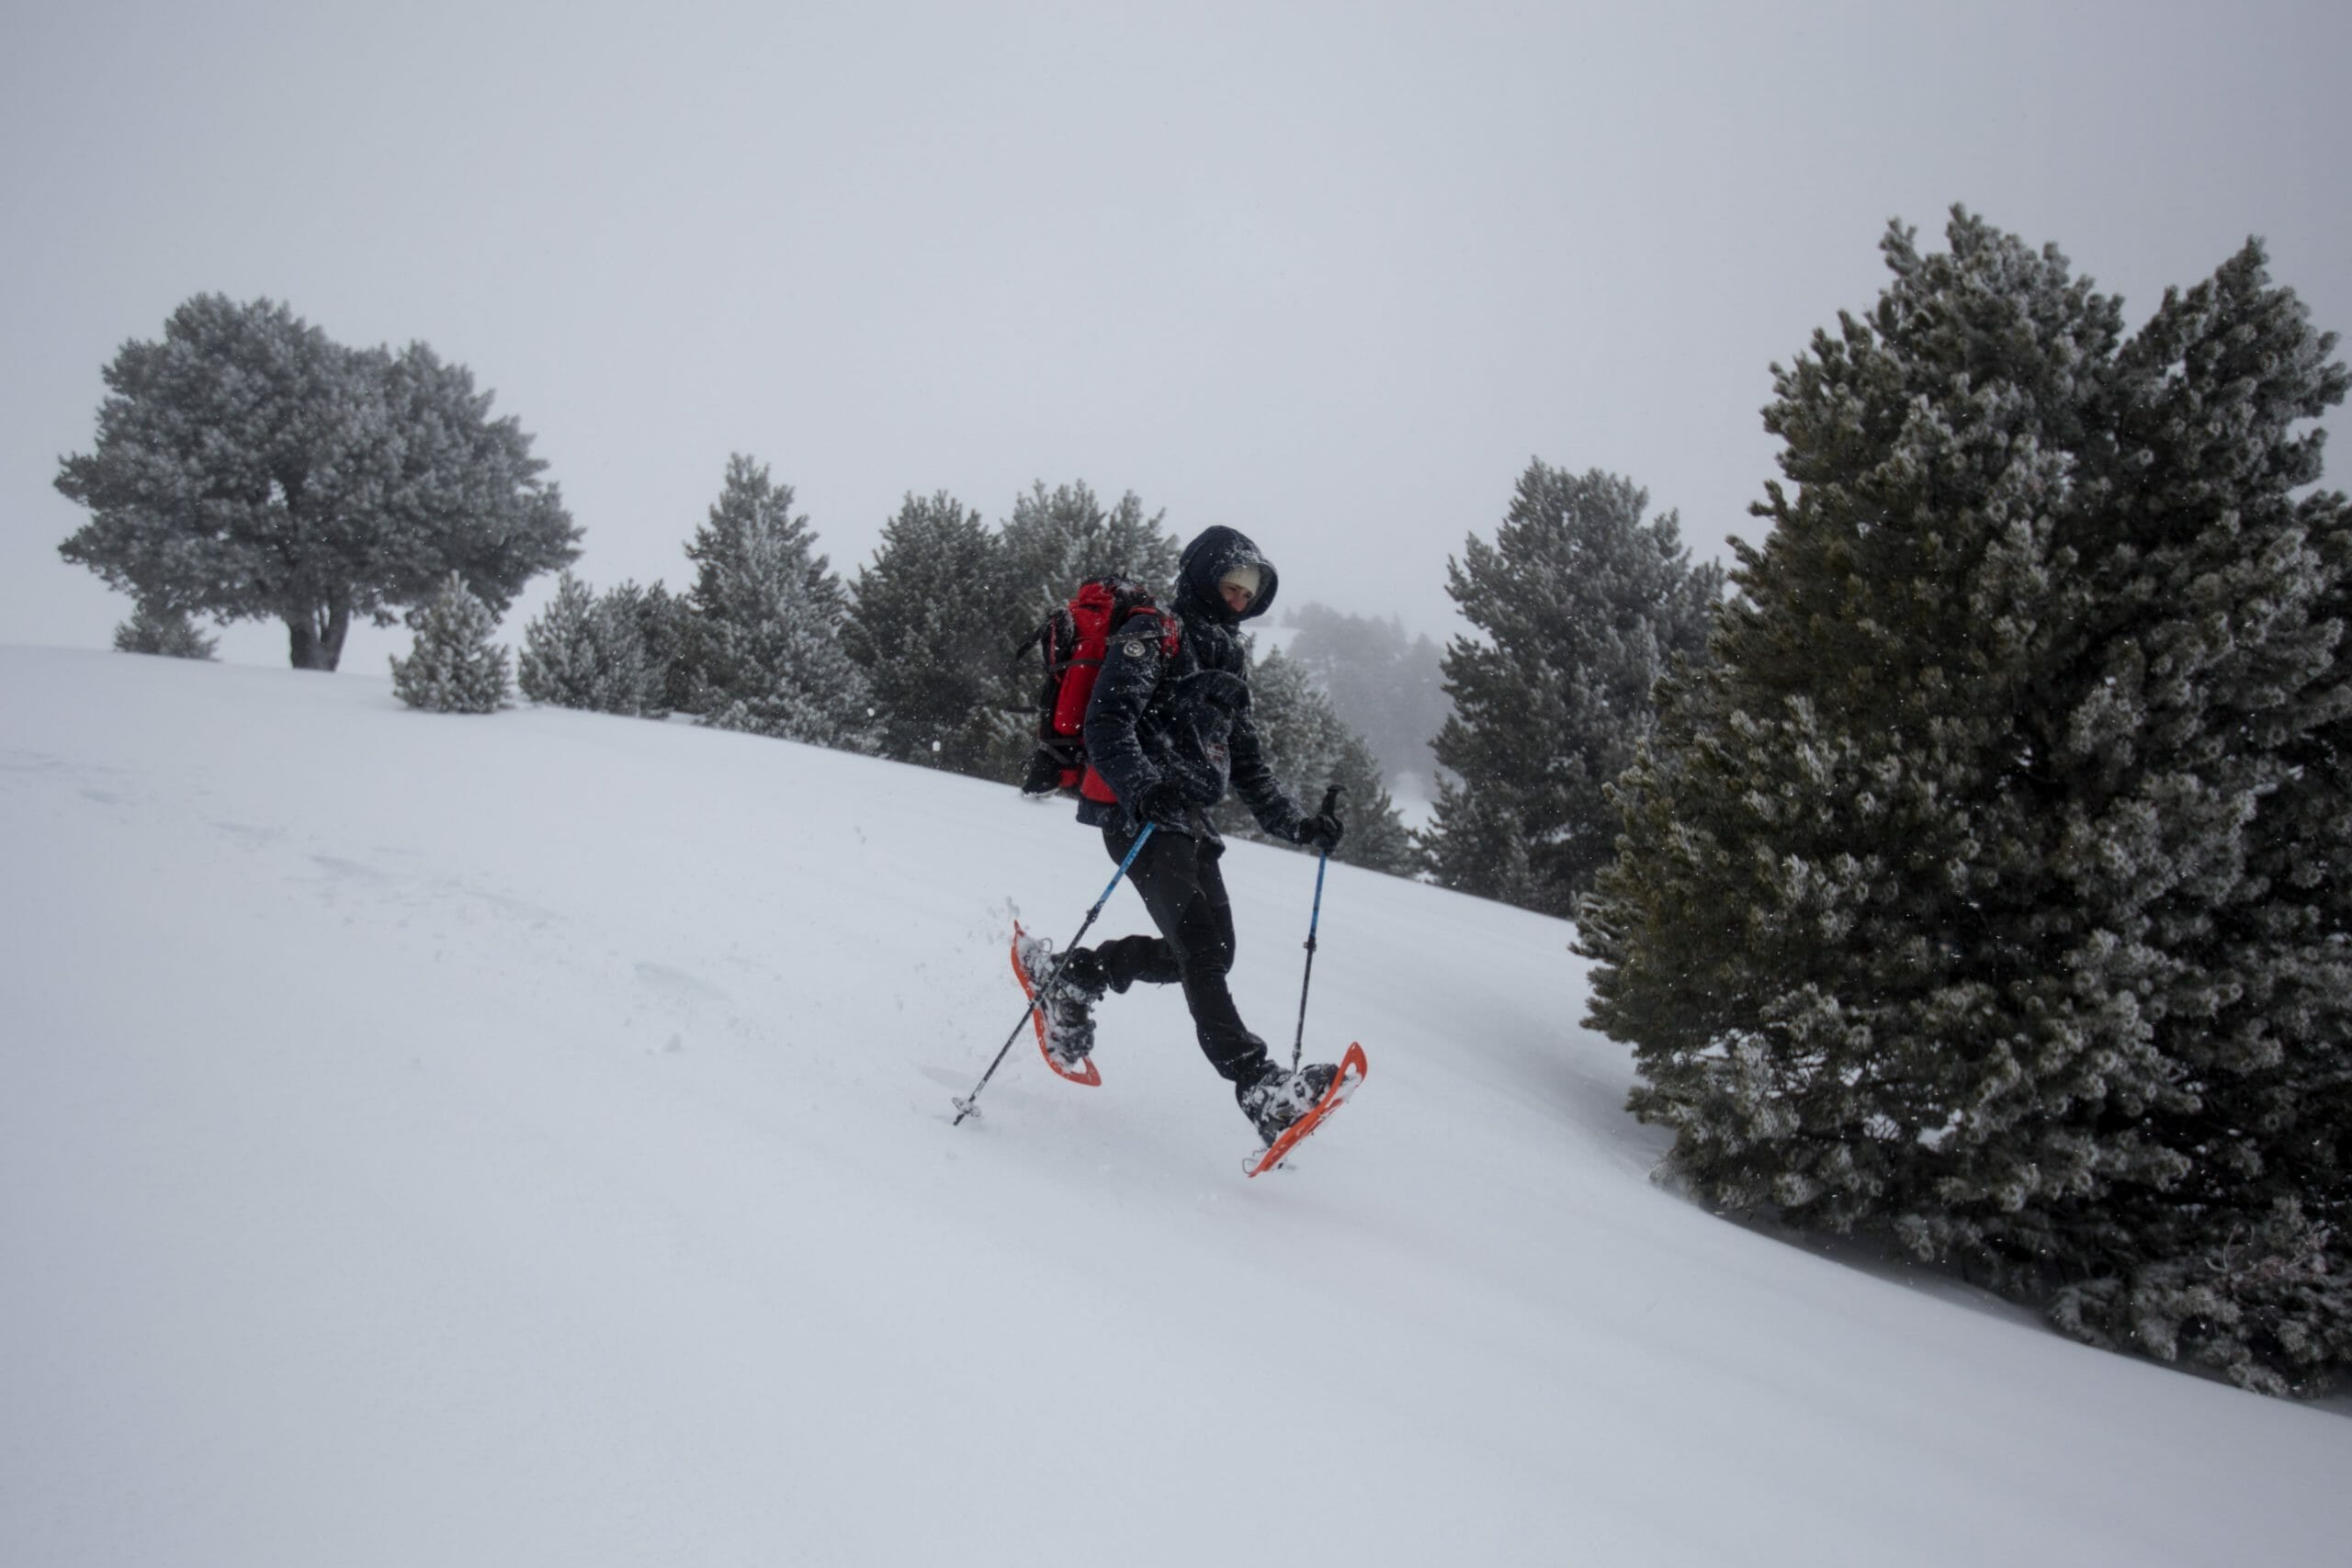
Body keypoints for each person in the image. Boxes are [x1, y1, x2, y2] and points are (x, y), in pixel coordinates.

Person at [1016, 525, 1348, 1147]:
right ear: (1202, 575)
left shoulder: (1228, 656)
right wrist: (1143, 787)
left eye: (1251, 589)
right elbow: (1107, 723)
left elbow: (1246, 763)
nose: (1240, 597)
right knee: (1199, 947)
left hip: (1190, 820)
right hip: (1138, 815)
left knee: (1210, 951)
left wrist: (1300, 825)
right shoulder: (1154, 633)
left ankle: (1076, 977)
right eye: (1231, 582)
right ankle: (1258, 1085)